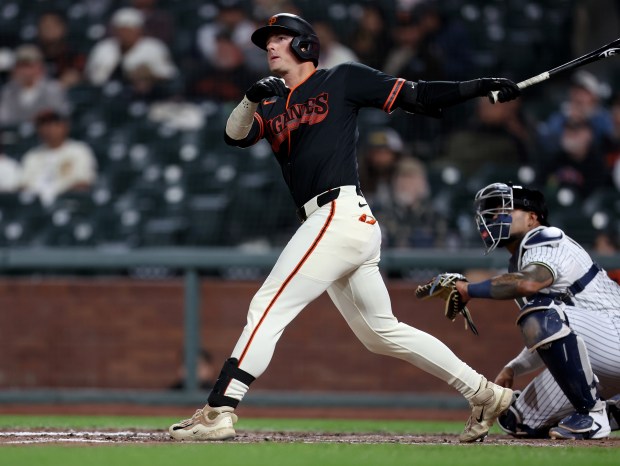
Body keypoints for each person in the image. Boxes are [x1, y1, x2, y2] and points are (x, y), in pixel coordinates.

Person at [168, 12, 521, 443]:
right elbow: (235, 136)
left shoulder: (341, 79)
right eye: (267, 42)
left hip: (337, 212)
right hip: (338, 222)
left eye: (280, 38)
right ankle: (483, 392)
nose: (270, 47)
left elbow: (421, 96)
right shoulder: (274, 101)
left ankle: (219, 409)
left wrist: (479, 87)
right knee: (380, 333)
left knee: (267, 306)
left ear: (305, 45)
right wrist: (248, 99)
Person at [450, 182, 620, 439]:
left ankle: (592, 416)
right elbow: (558, 335)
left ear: (532, 218)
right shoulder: (519, 260)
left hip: (614, 330)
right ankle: (613, 408)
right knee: (517, 420)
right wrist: (513, 368)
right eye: (492, 212)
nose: (495, 218)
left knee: (539, 313)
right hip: (600, 352)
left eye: (504, 210)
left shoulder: (543, 237)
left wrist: (467, 289)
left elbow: (531, 287)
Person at [84, 7, 178, 87]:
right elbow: (89, 76)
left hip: (144, 96)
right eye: (122, 29)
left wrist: (149, 75)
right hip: (103, 94)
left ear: (139, 29)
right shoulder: (103, 47)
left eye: (129, 29)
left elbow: (169, 76)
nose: (125, 34)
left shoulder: (154, 47)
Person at [21, 110, 97, 206]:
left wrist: (57, 195)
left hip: (67, 203)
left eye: (53, 124)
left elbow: (83, 183)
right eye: (43, 125)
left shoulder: (79, 150)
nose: (48, 129)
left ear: (64, 127)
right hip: (36, 207)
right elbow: (23, 186)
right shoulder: (32, 156)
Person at [0, 44, 69, 126]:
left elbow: (61, 115)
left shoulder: (53, 88)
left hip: (44, 135)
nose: (24, 71)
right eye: (20, 66)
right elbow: (3, 118)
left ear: (39, 67)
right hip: (14, 136)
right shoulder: (8, 91)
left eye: (28, 66)